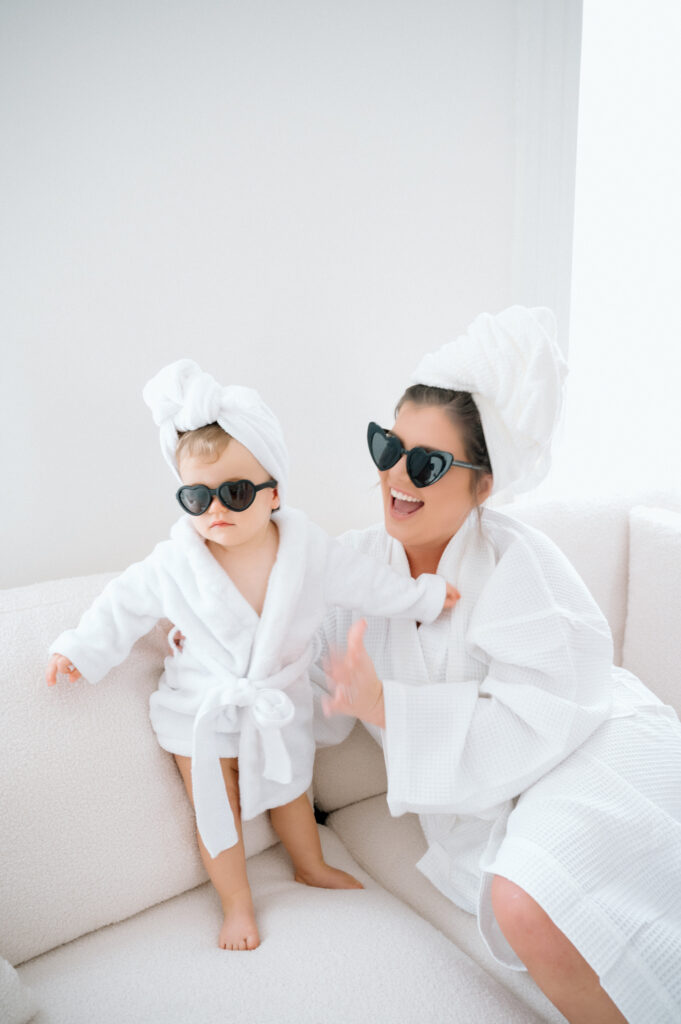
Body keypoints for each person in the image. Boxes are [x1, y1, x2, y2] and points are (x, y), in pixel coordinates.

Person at [318, 306, 681, 1024]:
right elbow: (302, 678)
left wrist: (387, 706)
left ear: (483, 486)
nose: (397, 473)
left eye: (425, 462)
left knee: (530, 901)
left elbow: (550, 708)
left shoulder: (518, 564)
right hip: (500, 792)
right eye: (386, 445)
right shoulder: (355, 571)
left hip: (591, 745)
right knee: (528, 904)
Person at [45, 360, 457, 952]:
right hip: (202, 712)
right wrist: (81, 649)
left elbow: (371, 584)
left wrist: (423, 597)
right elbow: (122, 604)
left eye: (235, 492)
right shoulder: (173, 563)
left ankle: (308, 864)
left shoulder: (309, 551)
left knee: (293, 791)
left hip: (277, 702)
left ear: (274, 492)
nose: (216, 509)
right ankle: (236, 904)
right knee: (217, 813)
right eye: (196, 496)